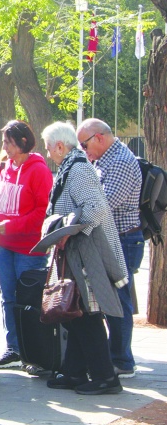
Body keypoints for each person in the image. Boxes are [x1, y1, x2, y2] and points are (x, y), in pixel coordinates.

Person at [41, 121, 128, 395]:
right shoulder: (72, 166)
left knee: (86, 315)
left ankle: (105, 378)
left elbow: (96, 208)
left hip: (86, 255)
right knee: (76, 313)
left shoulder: (77, 169)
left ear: (58, 146)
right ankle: (75, 372)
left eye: (47, 149)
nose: (46, 154)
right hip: (78, 255)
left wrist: (67, 233)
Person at [0, 120, 53, 368]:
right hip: (4, 245)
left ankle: (35, 352)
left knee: (30, 300)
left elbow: (42, 212)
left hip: (29, 248)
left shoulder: (39, 170)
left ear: (23, 142)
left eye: (9, 143)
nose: (5, 147)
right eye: (4, 142)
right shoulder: (4, 167)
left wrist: (13, 225)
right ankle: (14, 348)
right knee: (7, 297)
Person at [76, 118, 143, 379]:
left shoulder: (121, 163)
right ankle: (115, 356)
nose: (83, 150)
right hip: (113, 239)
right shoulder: (104, 160)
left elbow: (102, 205)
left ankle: (122, 361)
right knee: (112, 301)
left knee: (118, 302)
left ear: (99, 138)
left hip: (123, 241)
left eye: (84, 144)